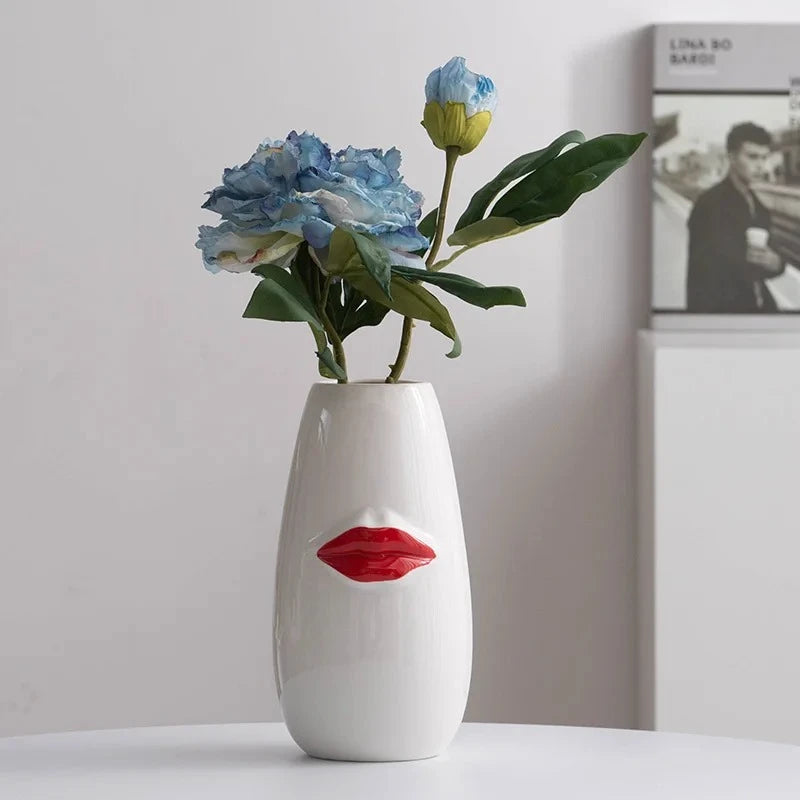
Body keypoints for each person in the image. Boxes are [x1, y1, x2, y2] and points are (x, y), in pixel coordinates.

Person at [686, 122, 786, 312]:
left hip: (760, 307)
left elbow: (775, 253)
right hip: (726, 314)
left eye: (764, 158)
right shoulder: (709, 205)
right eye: (752, 157)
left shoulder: (759, 207)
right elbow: (703, 277)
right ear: (731, 157)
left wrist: (776, 263)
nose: (760, 165)